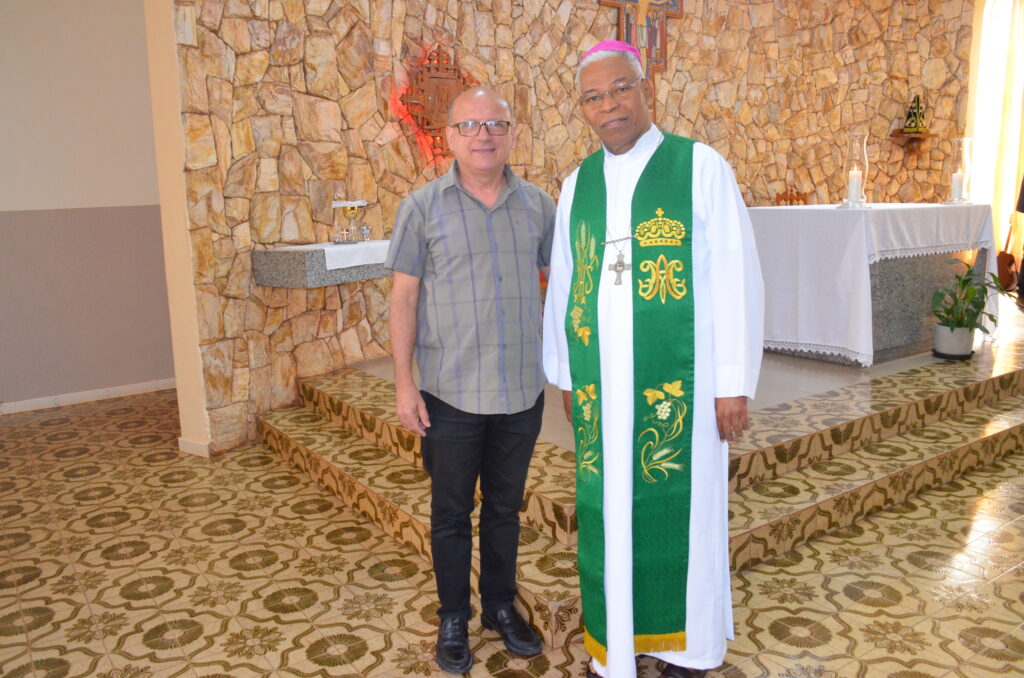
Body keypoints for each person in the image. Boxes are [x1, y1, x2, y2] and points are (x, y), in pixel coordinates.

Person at [542, 41, 764, 678]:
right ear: (582, 109)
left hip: (683, 388)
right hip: (601, 390)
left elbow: (735, 279)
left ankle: (686, 649)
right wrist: (565, 368)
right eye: (593, 96)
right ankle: (617, 646)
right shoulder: (576, 183)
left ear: (645, 91)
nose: (608, 104)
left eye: (619, 90)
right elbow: (567, 279)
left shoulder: (698, 168)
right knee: (607, 511)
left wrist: (729, 384)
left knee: (682, 511)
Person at [385, 87, 555, 674]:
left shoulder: (538, 205)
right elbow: (403, 298)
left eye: (496, 124)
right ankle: (454, 615)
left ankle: (500, 609)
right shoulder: (421, 208)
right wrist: (404, 384)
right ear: (450, 136)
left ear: (511, 132)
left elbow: (562, 289)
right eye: (470, 125)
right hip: (449, 395)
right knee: (451, 513)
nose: (484, 135)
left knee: (506, 509)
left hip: (519, 392)